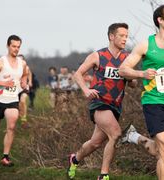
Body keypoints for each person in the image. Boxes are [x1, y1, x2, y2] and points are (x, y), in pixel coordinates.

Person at [118, 4, 164, 180]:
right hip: (153, 101)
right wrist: (141, 73)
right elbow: (123, 69)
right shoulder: (145, 45)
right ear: (160, 20)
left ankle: (134, 137)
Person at [67, 23, 136, 180]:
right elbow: (78, 74)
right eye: (122, 36)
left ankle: (75, 158)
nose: (125, 39)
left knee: (95, 143)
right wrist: (86, 90)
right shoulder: (98, 56)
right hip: (99, 103)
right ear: (112, 36)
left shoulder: (127, 58)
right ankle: (103, 175)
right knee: (116, 133)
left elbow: (133, 84)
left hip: (115, 105)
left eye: (127, 36)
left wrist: (130, 78)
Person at [0, 35, 27, 166]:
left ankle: (5, 157)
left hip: (12, 99)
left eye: (18, 47)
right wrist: (3, 83)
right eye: (14, 46)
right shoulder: (0, 61)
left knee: (12, 126)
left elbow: (24, 73)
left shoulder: (22, 63)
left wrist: (23, 81)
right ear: (8, 46)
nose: (16, 49)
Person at [17, 54, 32, 129]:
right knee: (18, 106)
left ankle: (24, 120)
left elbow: (30, 73)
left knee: (22, 101)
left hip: (24, 87)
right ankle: (22, 119)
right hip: (16, 88)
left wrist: (30, 81)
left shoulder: (26, 67)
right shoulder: (13, 68)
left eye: (22, 59)